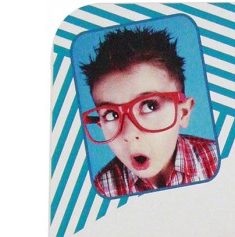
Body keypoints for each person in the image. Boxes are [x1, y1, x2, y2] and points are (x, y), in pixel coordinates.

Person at [80, 26, 219, 197]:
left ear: (183, 113)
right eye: (112, 115)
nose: (129, 133)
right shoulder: (101, 191)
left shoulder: (220, 161)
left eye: (149, 106)